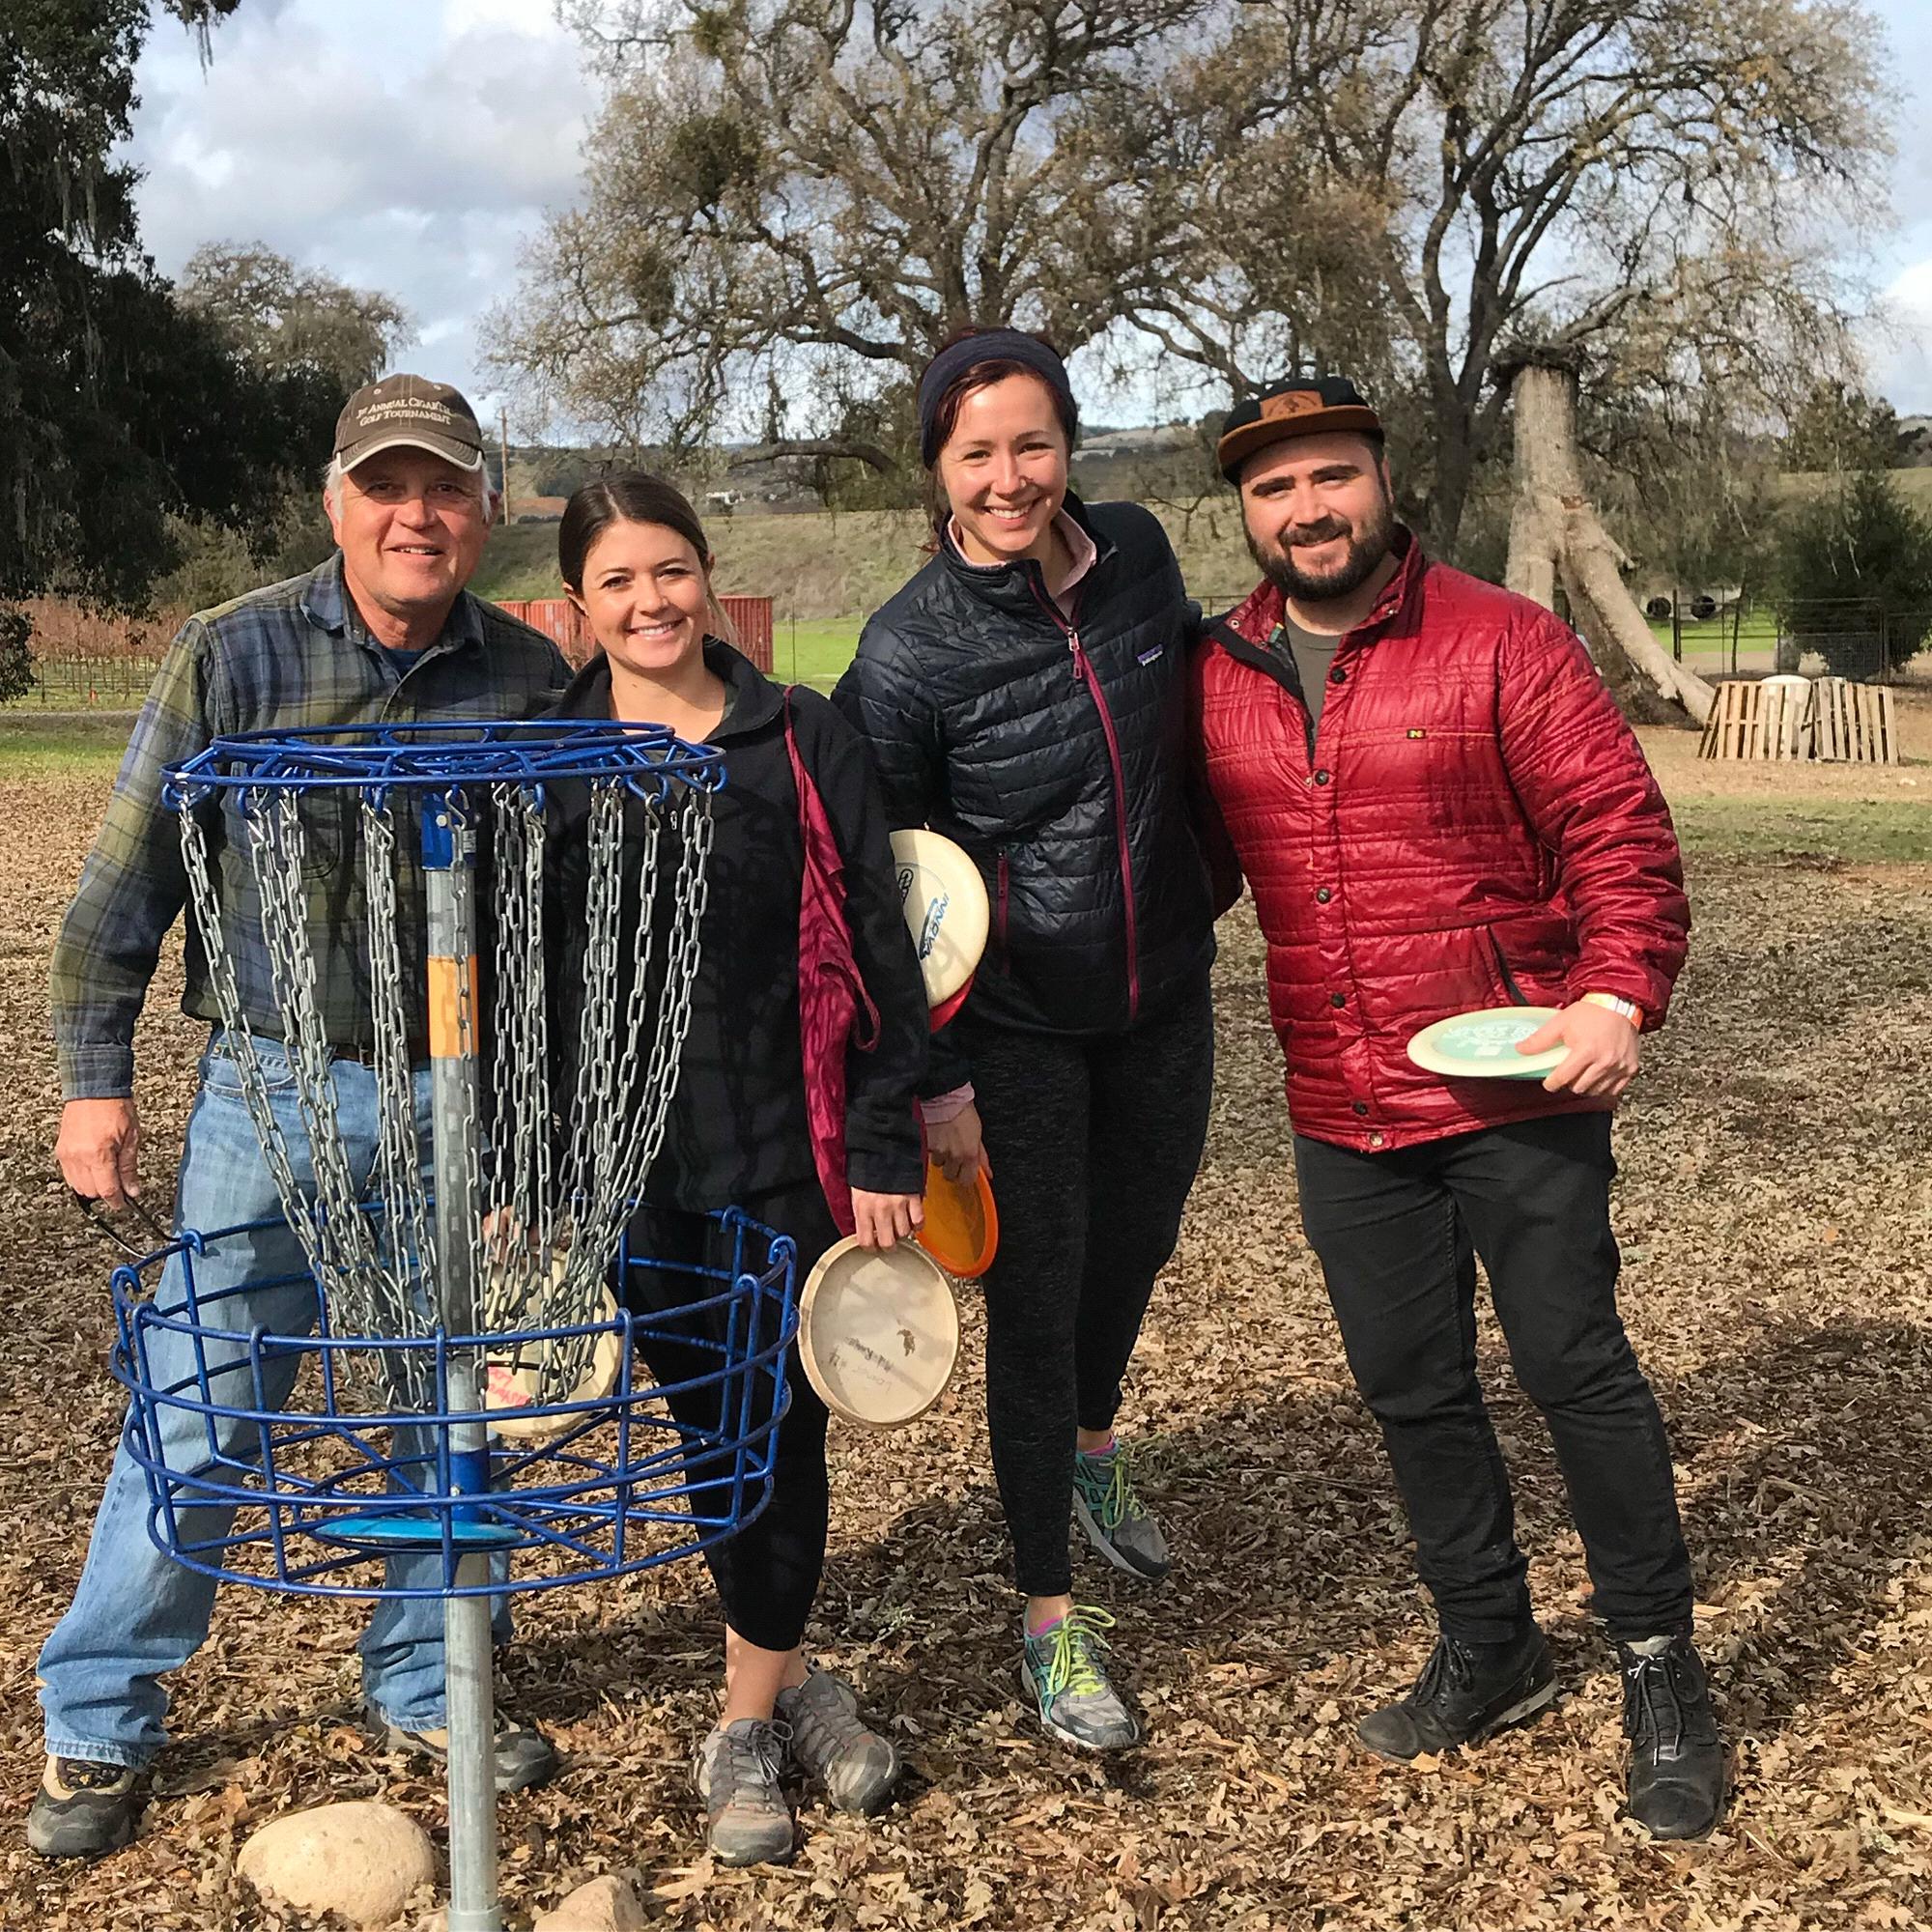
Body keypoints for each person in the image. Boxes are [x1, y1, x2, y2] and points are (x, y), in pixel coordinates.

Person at [36, 376, 573, 1861]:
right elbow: (124, 881)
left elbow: (555, 936)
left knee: (451, 1406)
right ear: (334, 500)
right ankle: (98, 1716)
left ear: (483, 508)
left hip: (460, 1100)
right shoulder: (236, 654)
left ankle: (421, 1679)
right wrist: (95, 1080)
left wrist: (527, 1135)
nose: (419, 515)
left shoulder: (525, 678)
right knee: (204, 1409)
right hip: (273, 1085)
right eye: (388, 485)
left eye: (447, 488)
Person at [1193, 373, 1724, 1838]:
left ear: (1383, 479)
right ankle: (1492, 1646)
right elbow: (1179, 867)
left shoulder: (1503, 639)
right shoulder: (1219, 671)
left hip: (1510, 1085)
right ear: (1247, 511)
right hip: (1342, 1103)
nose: (1306, 510)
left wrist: (1615, 994)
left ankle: (1659, 1662)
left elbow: (1620, 832)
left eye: (1329, 477)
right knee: (1413, 1392)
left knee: (1575, 1370)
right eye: (1274, 487)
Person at [833, 329, 1219, 1752]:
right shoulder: (907, 650)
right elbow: (888, 893)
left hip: (1163, 985)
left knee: (1146, 1240)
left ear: (1072, 446)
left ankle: (1095, 1451)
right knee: (1039, 1305)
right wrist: (931, 1081)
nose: (1011, 479)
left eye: (1033, 445)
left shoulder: (1138, 555)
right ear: (937, 466)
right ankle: (1050, 1620)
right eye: (977, 453)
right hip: (1016, 1027)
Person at [547, 474, 929, 1866]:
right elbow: (522, 975)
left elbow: (880, 945)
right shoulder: (554, 749)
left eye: (672, 572)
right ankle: (788, 1676)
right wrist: (527, 1168)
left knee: (779, 1428)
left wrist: (887, 1134)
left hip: (793, 1143)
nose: (652, 603)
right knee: (713, 1430)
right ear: (578, 608)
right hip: (631, 1161)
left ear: (708, 576)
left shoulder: (800, 731)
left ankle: (741, 1730)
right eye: (620, 583)